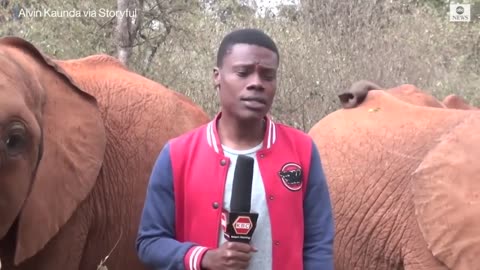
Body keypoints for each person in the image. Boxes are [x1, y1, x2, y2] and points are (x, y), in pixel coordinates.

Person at [135, 28, 335, 270]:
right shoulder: (178, 155)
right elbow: (149, 242)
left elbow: (318, 242)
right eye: (243, 73)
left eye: (268, 76)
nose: (256, 84)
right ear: (217, 77)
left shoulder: (302, 150)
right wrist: (203, 257)